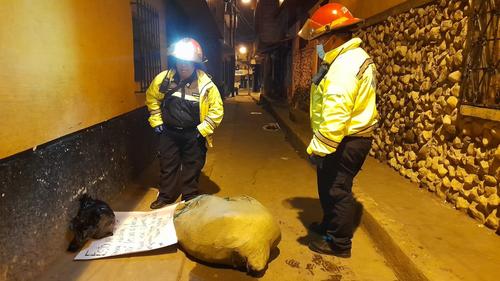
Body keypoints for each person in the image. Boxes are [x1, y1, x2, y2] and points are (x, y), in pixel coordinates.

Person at [297, 3, 379, 257]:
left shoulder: (344, 65)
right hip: (345, 139)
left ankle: (339, 243)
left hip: (345, 140)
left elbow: (336, 111)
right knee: (329, 186)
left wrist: (318, 148)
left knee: (336, 189)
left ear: (332, 37)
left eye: (320, 39)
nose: (317, 45)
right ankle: (329, 225)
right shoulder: (350, 58)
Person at [145, 38, 224, 209]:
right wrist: (157, 120)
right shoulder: (164, 79)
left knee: (192, 165)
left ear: (195, 63)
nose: (183, 65)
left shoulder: (206, 85)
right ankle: (166, 196)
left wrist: (203, 129)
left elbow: (216, 110)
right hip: (169, 132)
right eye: (180, 61)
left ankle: (189, 196)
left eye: (188, 62)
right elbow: (152, 97)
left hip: (193, 133)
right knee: (168, 164)